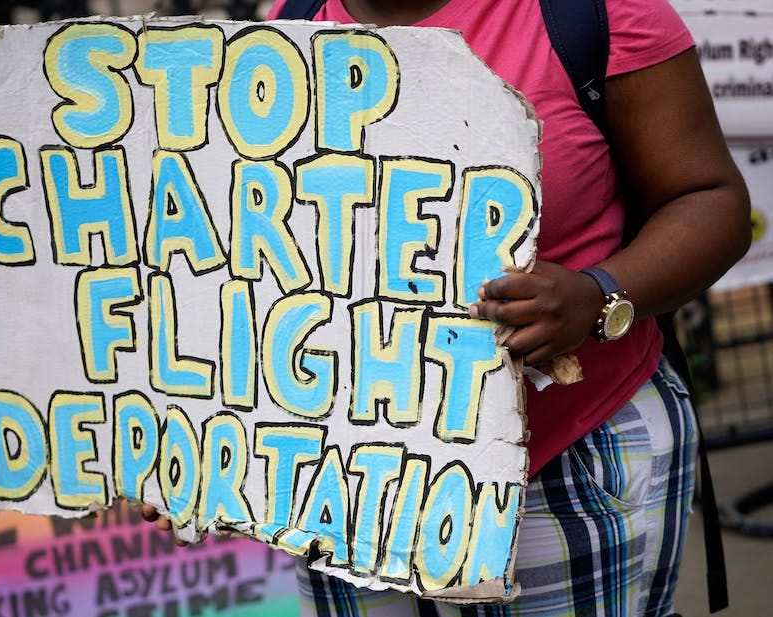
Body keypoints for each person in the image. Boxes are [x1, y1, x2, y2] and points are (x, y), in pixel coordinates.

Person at [144, 0, 752, 615]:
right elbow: (253, 258)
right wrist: (202, 437)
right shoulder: (289, 23)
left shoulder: (591, 14)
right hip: (346, 485)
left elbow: (710, 200)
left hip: (567, 461)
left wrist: (595, 295)